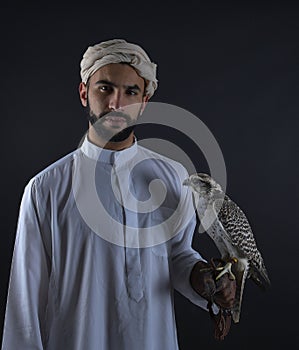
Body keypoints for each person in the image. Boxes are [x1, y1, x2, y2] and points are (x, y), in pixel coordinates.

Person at [1, 39, 236, 349]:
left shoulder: (173, 176)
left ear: (145, 100)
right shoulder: (46, 189)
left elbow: (176, 256)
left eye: (130, 92)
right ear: (84, 92)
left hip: (154, 339)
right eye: (105, 88)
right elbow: (24, 303)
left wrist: (205, 280)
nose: (116, 104)